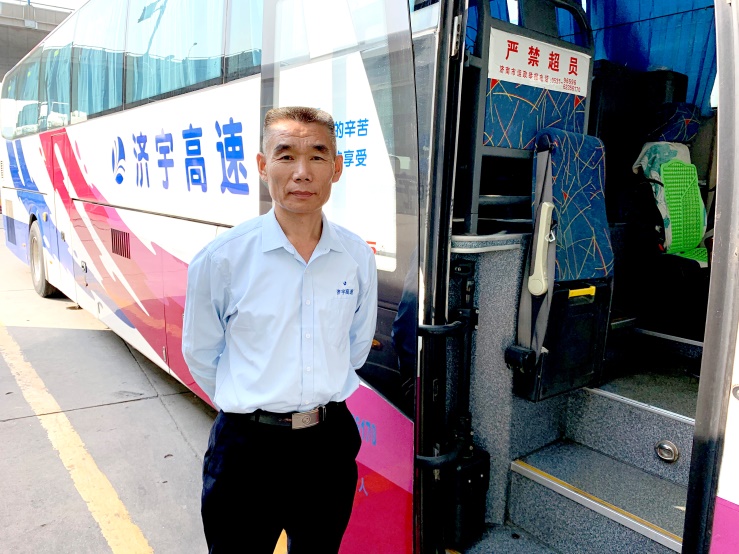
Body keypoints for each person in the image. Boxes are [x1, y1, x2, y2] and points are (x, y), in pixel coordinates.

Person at [182, 106, 378, 553]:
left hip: (327, 445)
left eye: (317, 156)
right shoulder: (223, 258)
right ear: (262, 165)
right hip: (247, 451)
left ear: (337, 168)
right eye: (286, 155)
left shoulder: (355, 257)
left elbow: (354, 349)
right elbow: (201, 354)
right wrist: (252, 401)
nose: (302, 172)